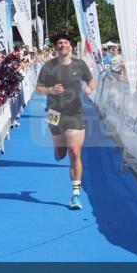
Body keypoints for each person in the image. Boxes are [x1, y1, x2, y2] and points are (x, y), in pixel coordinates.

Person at [35, 32, 95, 210]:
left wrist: (88, 88)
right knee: (61, 153)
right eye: (59, 43)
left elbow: (92, 82)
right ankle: (57, 148)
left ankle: (75, 195)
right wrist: (50, 90)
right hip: (54, 114)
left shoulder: (80, 64)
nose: (62, 45)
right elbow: (38, 89)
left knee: (74, 152)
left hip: (75, 114)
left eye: (65, 42)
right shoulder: (48, 66)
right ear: (56, 47)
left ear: (71, 46)